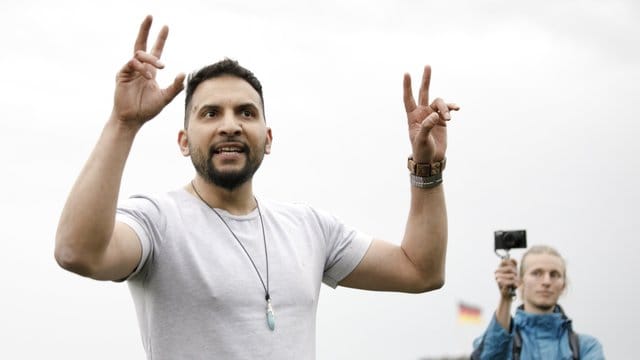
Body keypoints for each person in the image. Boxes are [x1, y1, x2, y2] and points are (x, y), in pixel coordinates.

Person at [54, 15, 459, 359]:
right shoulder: (158, 222)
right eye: (210, 113)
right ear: (183, 141)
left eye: (245, 112)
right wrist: (123, 123)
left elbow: (420, 270)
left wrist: (427, 165)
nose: (229, 124)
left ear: (267, 137)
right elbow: (78, 252)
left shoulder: (309, 227)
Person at [471, 245, 604, 359]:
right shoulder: (500, 342)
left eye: (554, 274)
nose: (546, 281)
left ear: (563, 285)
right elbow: (489, 356)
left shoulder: (586, 347)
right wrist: (505, 298)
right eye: (536, 273)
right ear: (520, 281)